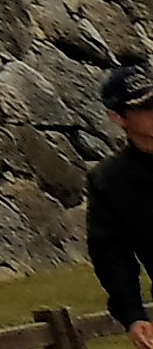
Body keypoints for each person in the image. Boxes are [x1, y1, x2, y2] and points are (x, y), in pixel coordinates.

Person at [89, 57, 153, 346]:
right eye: (143, 107)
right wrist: (132, 313)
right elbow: (111, 252)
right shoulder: (110, 181)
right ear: (117, 117)